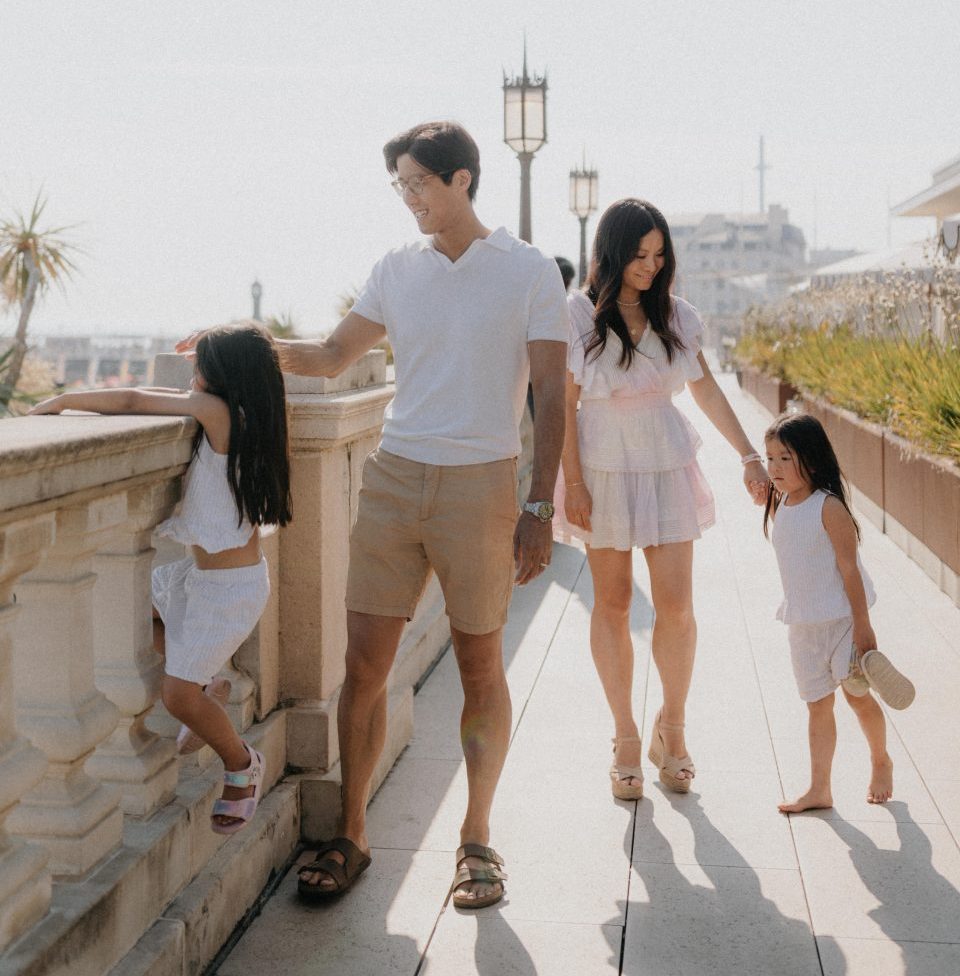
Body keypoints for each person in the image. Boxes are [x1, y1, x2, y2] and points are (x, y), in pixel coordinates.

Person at [183, 121, 567, 906]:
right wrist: (240, 346)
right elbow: (329, 357)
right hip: (393, 479)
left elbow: (554, 394)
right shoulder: (397, 268)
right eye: (400, 187)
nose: (409, 199)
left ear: (463, 179)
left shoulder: (527, 270)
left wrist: (540, 504)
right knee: (364, 668)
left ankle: (477, 839)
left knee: (479, 667)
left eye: (419, 183)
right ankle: (352, 834)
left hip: (483, 485)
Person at [30, 322, 292, 833]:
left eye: (202, 364)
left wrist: (60, 400)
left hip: (226, 594)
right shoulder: (250, 416)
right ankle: (205, 683)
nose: (193, 372)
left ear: (223, 375)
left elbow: (129, 400)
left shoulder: (219, 414)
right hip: (205, 581)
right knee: (127, 617)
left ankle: (241, 763)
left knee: (175, 696)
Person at [557, 198, 768, 800]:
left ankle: (671, 729)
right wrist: (572, 482)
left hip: (666, 460)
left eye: (659, 255)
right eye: (639, 255)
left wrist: (749, 455)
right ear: (612, 253)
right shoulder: (576, 314)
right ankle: (624, 735)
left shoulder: (677, 315)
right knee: (615, 604)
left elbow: (705, 392)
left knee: (676, 607)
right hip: (599, 465)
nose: (650, 266)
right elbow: (564, 408)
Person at [764, 412, 913, 812]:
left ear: (811, 459)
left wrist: (864, 628)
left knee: (857, 698)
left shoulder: (828, 508)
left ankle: (881, 759)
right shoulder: (782, 506)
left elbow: (850, 572)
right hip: (803, 626)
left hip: (843, 623)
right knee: (817, 705)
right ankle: (820, 789)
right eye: (770, 458)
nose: (774, 467)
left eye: (784, 458)